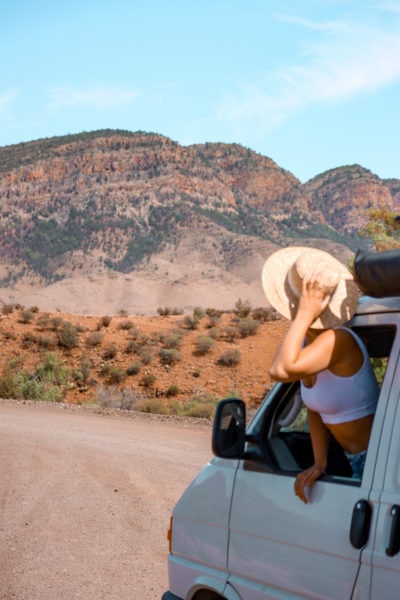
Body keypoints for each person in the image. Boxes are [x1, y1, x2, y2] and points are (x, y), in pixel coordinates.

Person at [262, 247, 380, 504]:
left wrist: (305, 313)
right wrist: (319, 463)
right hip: (357, 461)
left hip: (377, 460)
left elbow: (279, 370)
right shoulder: (309, 343)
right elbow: (315, 407)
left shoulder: (339, 341)